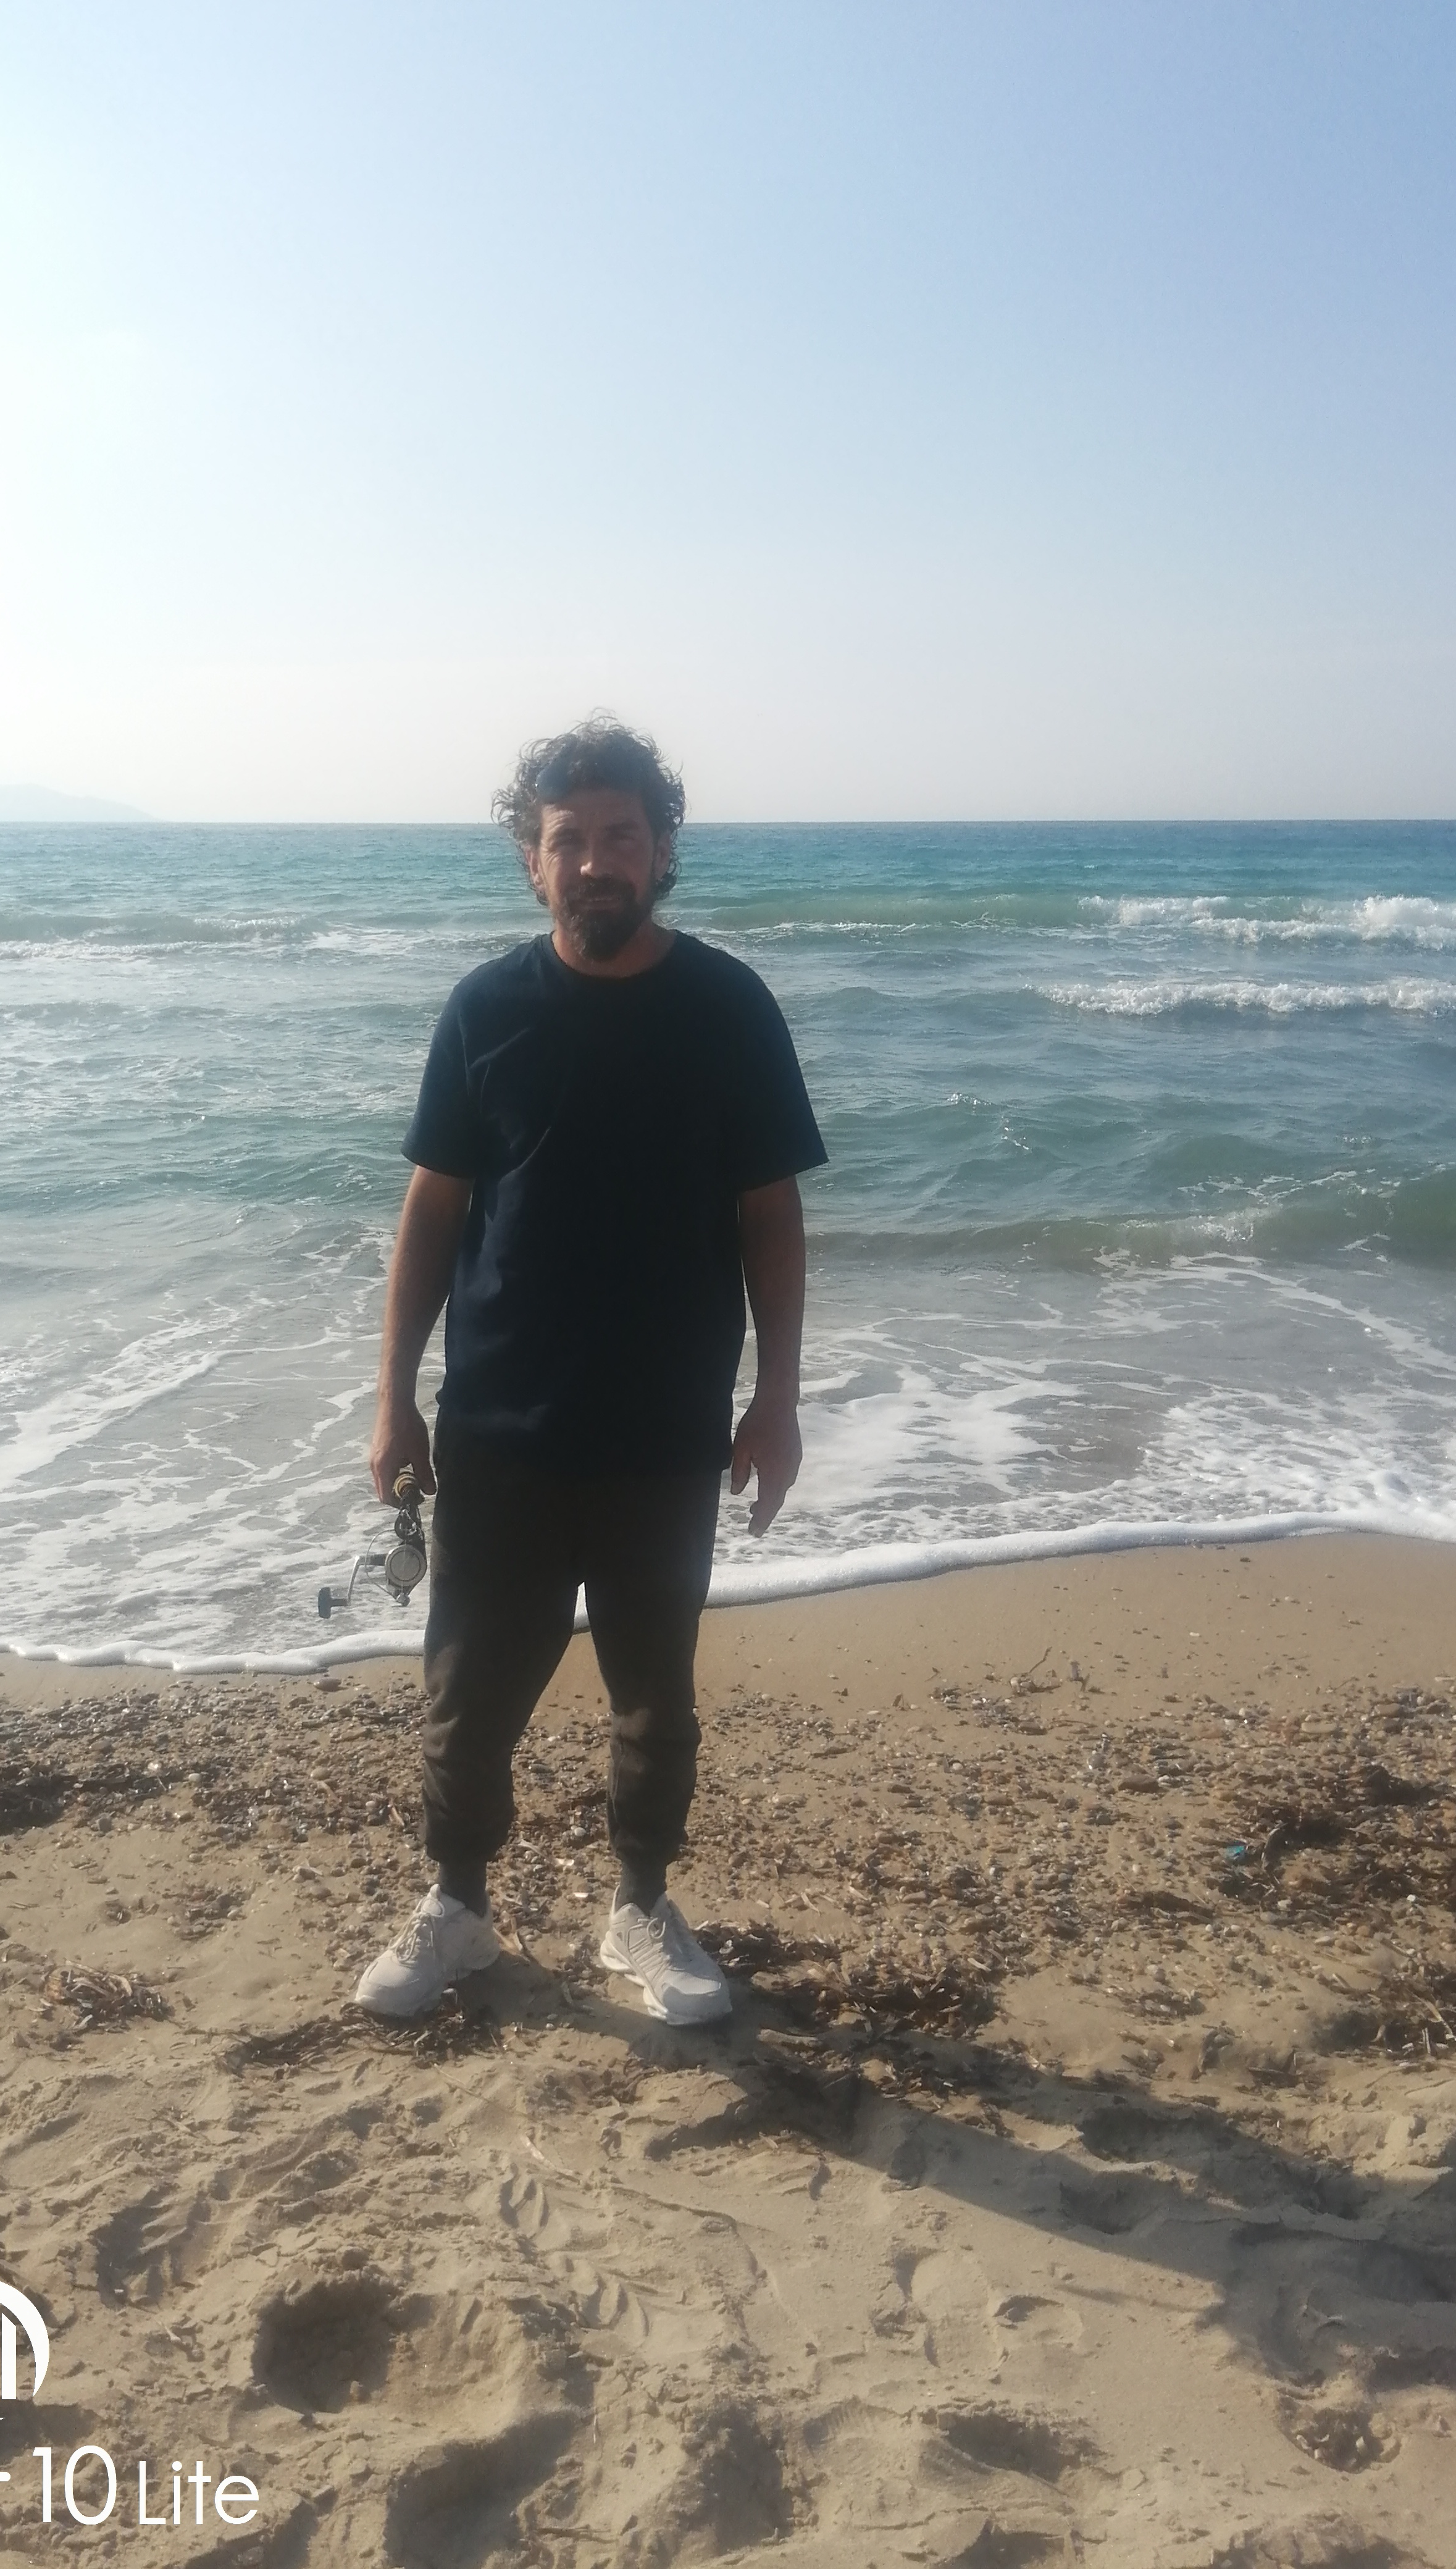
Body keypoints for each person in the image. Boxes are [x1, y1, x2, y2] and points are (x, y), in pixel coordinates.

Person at [353, 718, 825, 2026]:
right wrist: (394, 1398)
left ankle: (640, 1910)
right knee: (467, 1694)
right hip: (499, 1425)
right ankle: (457, 1908)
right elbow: (432, 1212)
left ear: (663, 851)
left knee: (655, 1699)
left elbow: (772, 1217)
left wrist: (778, 1401)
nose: (597, 862)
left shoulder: (729, 1008)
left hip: (665, 1430)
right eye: (570, 840)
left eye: (623, 837)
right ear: (533, 859)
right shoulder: (486, 1009)